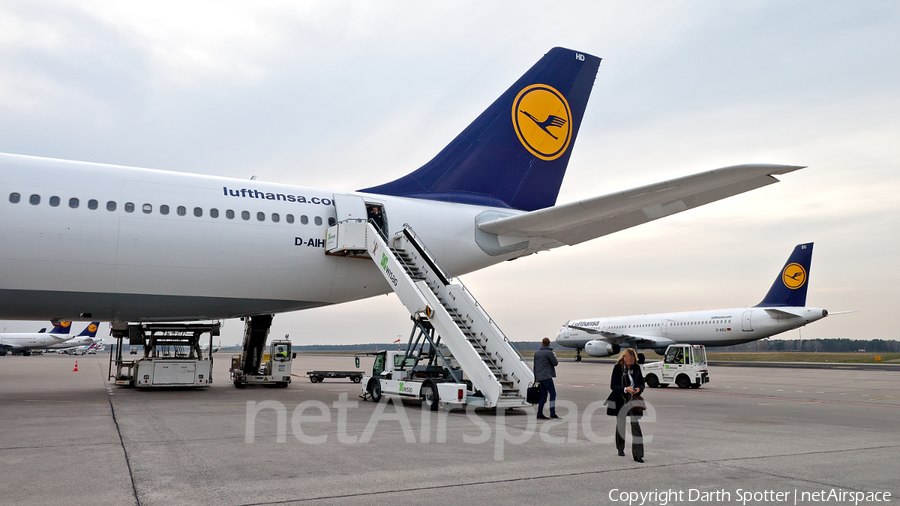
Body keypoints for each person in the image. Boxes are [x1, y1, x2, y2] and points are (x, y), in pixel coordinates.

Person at [606, 348, 645, 462]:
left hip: (634, 399)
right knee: (621, 425)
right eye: (629, 360)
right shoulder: (618, 368)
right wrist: (624, 389)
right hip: (621, 399)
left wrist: (639, 389)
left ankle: (638, 455)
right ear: (624, 358)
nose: (630, 362)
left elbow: (642, 383)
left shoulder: (636, 367)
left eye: (632, 360)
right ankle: (620, 447)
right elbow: (613, 385)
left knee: (635, 425)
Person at [533, 337, 559, 419]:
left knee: (543, 396)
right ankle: (552, 412)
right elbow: (555, 363)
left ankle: (539, 413)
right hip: (547, 377)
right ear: (549, 344)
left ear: (542, 343)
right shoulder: (549, 353)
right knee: (553, 394)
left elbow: (535, 366)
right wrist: (554, 356)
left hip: (539, 377)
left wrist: (536, 377)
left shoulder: (537, 353)